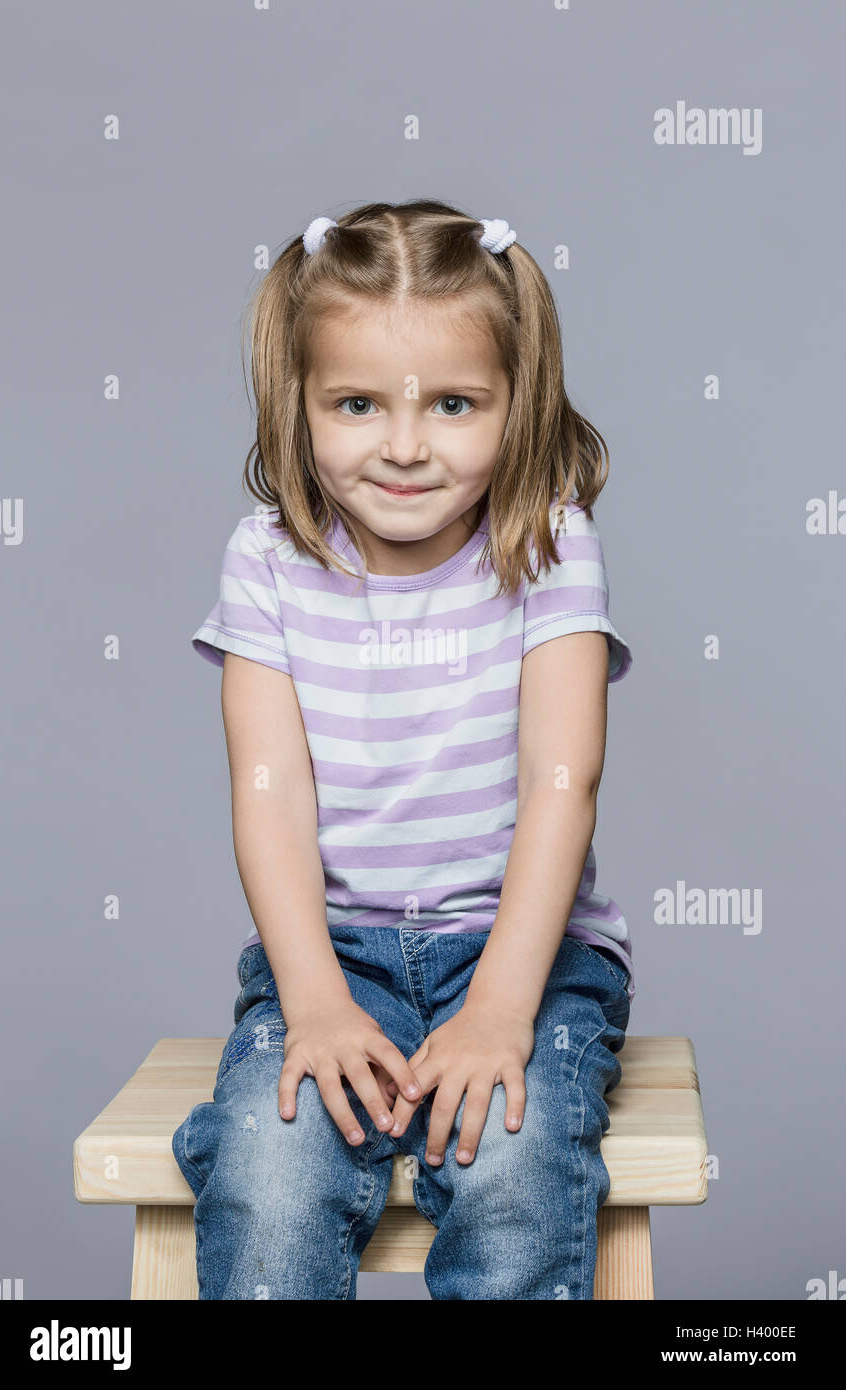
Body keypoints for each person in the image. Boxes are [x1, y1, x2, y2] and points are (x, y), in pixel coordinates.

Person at [172, 199, 635, 1300]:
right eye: (357, 403)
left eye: (454, 403)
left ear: (517, 403)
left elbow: (559, 784)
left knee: (512, 1167)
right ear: (299, 402)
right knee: (269, 1169)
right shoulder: (269, 561)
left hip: (521, 953)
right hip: (337, 956)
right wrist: (318, 1001)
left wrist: (500, 1009)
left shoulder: (547, 545)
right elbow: (268, 793)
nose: (405, 445)